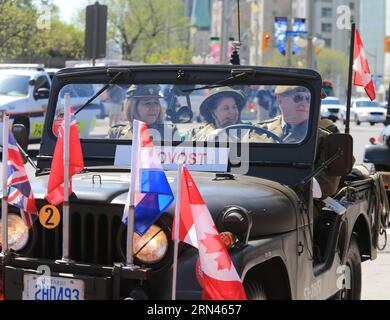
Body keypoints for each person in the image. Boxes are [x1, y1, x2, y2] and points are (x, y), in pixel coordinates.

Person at [251, 85, 341, 198]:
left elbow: (327, 186)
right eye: (298, 97)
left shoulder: (324, 139)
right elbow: (239, 169)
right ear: (280, 99)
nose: (304, 103)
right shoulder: (258, 132)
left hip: (301, 206)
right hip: (255, 198)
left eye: (308, 99)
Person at [108, 84, 178, 141]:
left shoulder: (169, 132)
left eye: (156, 103)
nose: (154, 108)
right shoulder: (116, 133)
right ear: (132, 106)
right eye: (147, 103)